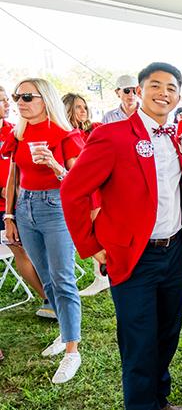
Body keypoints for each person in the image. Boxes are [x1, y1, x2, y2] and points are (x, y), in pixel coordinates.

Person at [61, 62, 182, 410]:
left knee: (167, 333)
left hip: (172, 252)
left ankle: (160, 399)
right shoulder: (112, 134)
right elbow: (72, 190)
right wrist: (91, 246)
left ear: (178, 95)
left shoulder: (176, 138)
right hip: (133, 258)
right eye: (154, 85)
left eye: (171, 87)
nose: (164, 92)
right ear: (139, 91)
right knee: (139, 343)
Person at [2, 78, 85, 383]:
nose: (19, 102)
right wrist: (10, 215)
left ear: (44, 99)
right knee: (46, 276)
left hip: (55, 208)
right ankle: (65, 335)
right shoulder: (19, 133)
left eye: (26, 96)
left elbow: (79, 182)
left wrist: (55, 165)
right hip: (24, 208)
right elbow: (14, 175)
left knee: (63, 278)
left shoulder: (65, 134)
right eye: (17, 96)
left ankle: (72, 351)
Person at [0, 85, 54, 319]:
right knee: (21, 252)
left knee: (39, 252)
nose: (9, 104)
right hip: (4, 206)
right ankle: (48, 297)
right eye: (4, 100)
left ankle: (54, 298)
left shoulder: (15, 131)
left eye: (7, 99)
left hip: (26, 200)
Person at [63, 92, 110, 297]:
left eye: (84, 107)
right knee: (91, 230)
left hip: (96, 188)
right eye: (78, 107)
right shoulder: (68, 135)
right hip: (85, 188)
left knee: (98, 229)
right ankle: (102, 275)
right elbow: (75, 168)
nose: (83, 111)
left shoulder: (89, 131)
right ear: (68, 109)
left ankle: (103, 275)